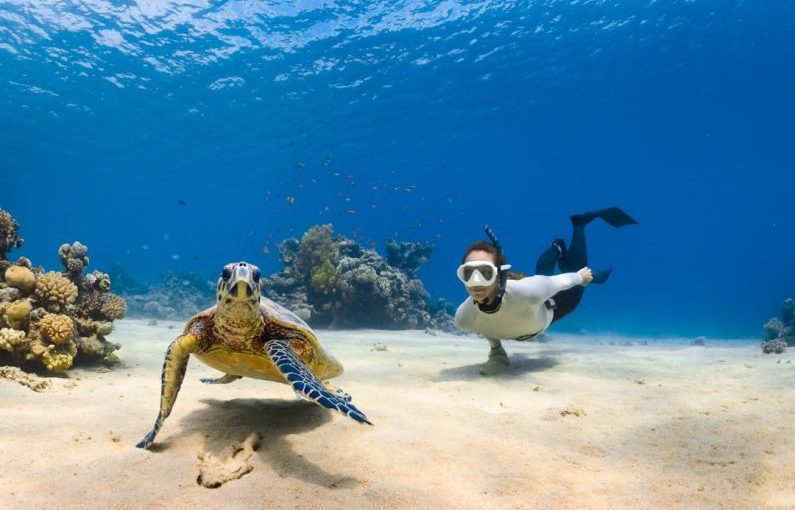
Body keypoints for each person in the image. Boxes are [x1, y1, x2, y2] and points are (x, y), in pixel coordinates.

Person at [454, 207, 637, 375]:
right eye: (468, 273)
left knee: (569, 278)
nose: (476, 282)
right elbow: (484, 324)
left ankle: (579, 226)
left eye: (486, 272)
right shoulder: (464, 317)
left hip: (554, 306)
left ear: (500, 275)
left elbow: (561, 281)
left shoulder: (528, 292)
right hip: (532, 301)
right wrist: (496, 350)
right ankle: (556, 248)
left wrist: (581, 276)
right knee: (540, 277)